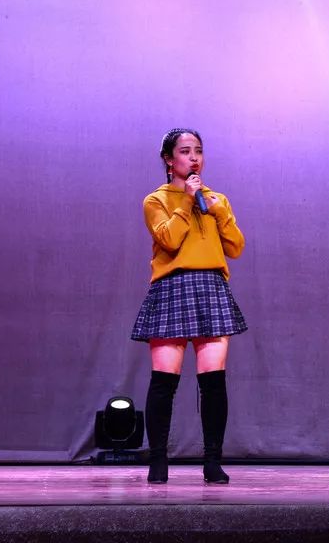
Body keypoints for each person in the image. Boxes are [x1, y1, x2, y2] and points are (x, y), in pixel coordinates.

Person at [130, 128, 247, 484]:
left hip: (211, 285)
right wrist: (186, 200)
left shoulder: (217, 199)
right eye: (185, 151)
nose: (194, 157)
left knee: (213, 381)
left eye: (198, 150)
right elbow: (168, 238)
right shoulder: (156, 200)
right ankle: (158, 460)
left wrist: (218, 210)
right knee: (164, 381)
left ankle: (212, 461)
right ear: (169, 159)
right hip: (172, 286)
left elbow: (235, 247)